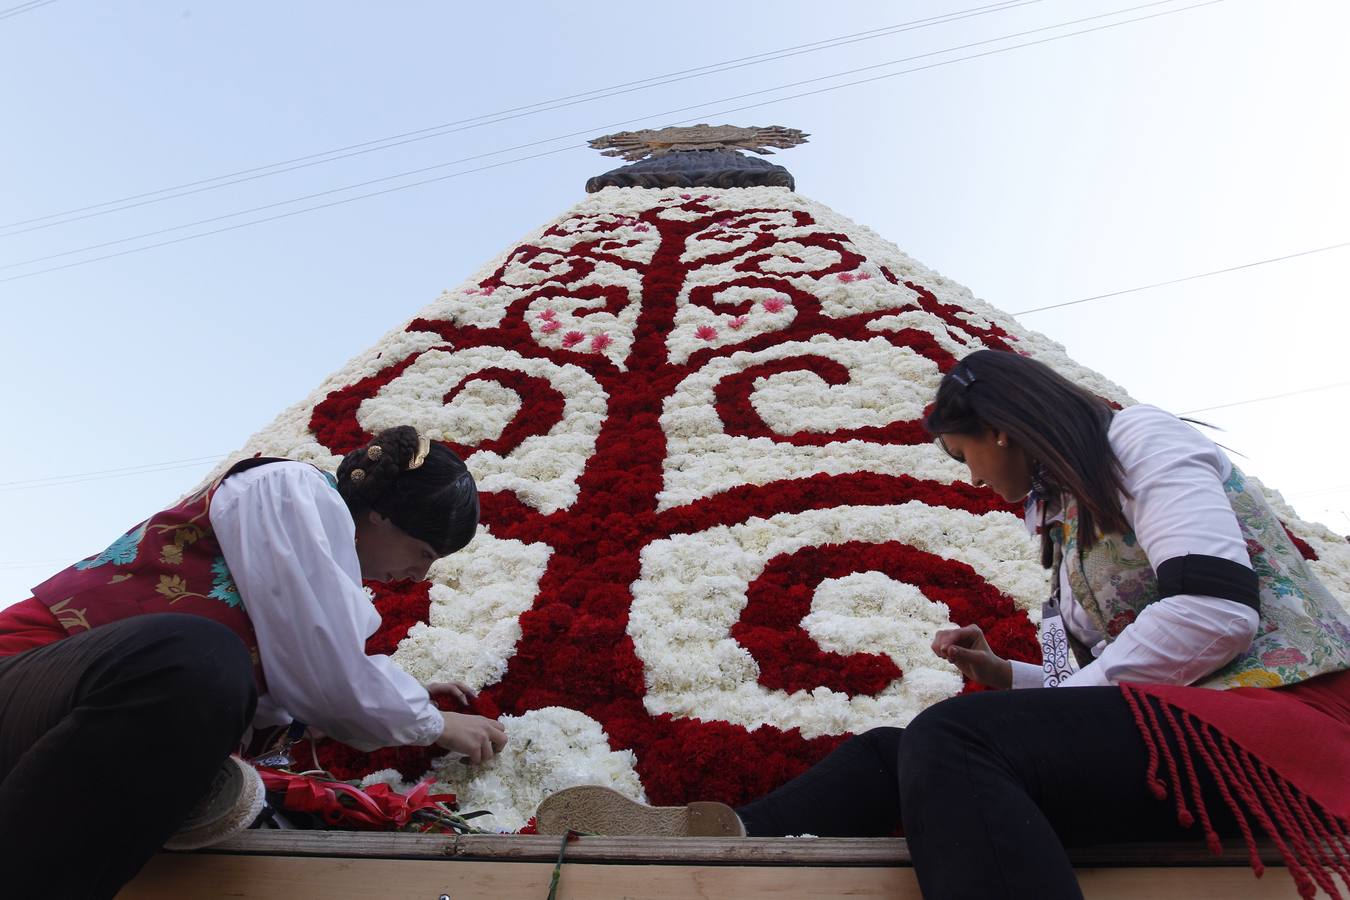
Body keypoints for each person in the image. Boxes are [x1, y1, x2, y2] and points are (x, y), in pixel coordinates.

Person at [536, 350, 1350, 900]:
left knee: (957, 738)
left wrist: (1042, 710)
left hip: (1288, 723)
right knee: (901, 747)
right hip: (1189, 726)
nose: (975, 479)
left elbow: (1213, 607)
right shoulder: (1060, 521)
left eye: (964, 456)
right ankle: (724, 840)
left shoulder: (1138, 437)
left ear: (999, 429)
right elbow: (1115, 678)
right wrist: (1016, 681)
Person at [0, 425, 507, 900]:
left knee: (213, 693)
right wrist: (434, 722)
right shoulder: (291, 488)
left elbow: (309, 679)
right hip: (27, 677)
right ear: (380, 516)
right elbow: (326, 678)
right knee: (198, 659)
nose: (418, 576)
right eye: (422, 553)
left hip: (81, 735)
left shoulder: (325, 567)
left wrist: (403, 698)